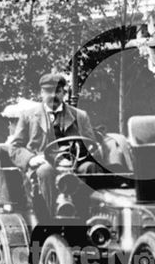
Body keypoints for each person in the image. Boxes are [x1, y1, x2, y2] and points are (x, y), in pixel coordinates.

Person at [7, 73, 99, 212]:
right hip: (43, 165)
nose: (53, 95)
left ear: (64, 93)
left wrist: (84, 153)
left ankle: (84, 215)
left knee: (90, 167)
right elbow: (14, 147)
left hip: (74, 165)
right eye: (49, 91)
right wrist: (31, 159)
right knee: (46, 171)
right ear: (42, 93)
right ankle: (52, 219)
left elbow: (91, 145)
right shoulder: (28, 116)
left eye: (58, 91)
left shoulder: (79, 116)